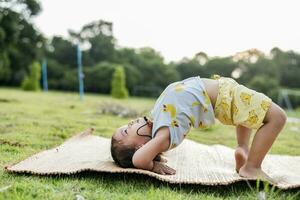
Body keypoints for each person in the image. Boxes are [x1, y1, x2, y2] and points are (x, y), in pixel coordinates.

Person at [110, 75, 287, 179]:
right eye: (126, 131)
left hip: (225, 92)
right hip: (225, 96)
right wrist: (151, 166)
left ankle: (243, 148)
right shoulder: (163, 135)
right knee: (277, 117)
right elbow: (139, 161)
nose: (130, 123)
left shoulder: (158, 121)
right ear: (141, 147)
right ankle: (252, 167)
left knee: (245, 116)